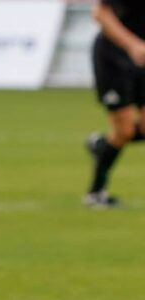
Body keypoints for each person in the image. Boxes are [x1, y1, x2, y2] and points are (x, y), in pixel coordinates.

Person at [84, 0, 145, 207]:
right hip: (114, 58)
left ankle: (102, 145)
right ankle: (95, 193)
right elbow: (100, 14)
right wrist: (133, 45)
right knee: (124, 130)